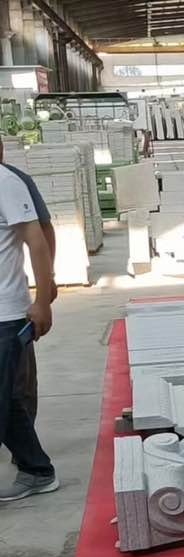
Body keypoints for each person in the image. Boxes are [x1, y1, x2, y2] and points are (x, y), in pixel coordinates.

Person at [0, 157, 57, 503]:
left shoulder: (7, 182)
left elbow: (38, 238)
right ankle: (36, 469)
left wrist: (43, 299)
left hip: (7, 313)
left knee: (9, 394)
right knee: (6, 398)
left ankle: (37, 470)